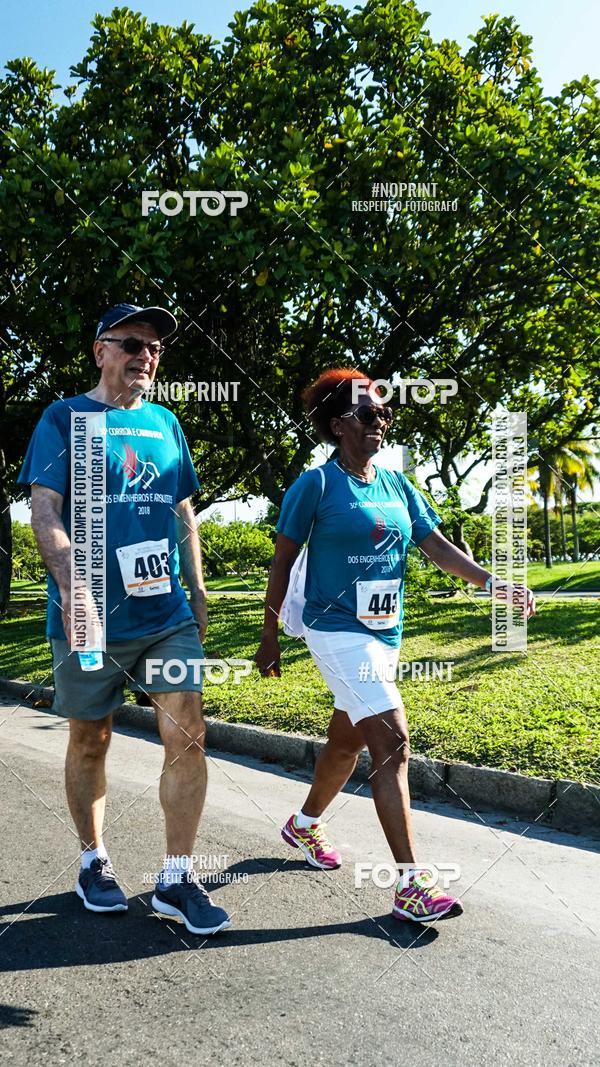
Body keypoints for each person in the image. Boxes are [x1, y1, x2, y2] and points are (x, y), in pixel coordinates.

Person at [255, 368, 536, 923]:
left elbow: (434, 544)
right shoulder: (313, 486)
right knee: (392, 740)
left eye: (385, 412)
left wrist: (492, 582)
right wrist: (269, 637)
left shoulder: (396, 485)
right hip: (334, 629)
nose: (380, 420)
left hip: (385, 633)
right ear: (338, 425)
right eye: (367, 412)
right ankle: (410, 884)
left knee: (346, 742)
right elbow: (283, 562)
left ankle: (305, 824)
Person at [18, 302, 230, 936]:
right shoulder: (65, 417)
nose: (146, 355)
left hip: (164, 613)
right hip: (88, 616)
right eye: (132, 343)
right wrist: (72, 586)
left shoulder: (165, 424)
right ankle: (93, 859)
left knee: (187, 730)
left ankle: (176, 879)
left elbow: (181, 509)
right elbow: (45, 511)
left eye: (155, 348)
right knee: (92, 738)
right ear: (100, 351)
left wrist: (196, 586)